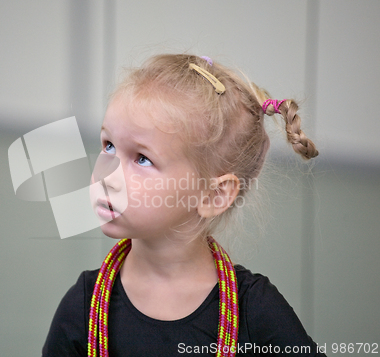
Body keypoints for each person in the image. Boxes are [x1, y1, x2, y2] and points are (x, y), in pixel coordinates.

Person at [42, 54, 324, 356]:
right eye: (108, 145)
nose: (107, 176)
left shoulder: (257, 312)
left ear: (213, 195)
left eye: (142, 159)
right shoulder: (84, 307)